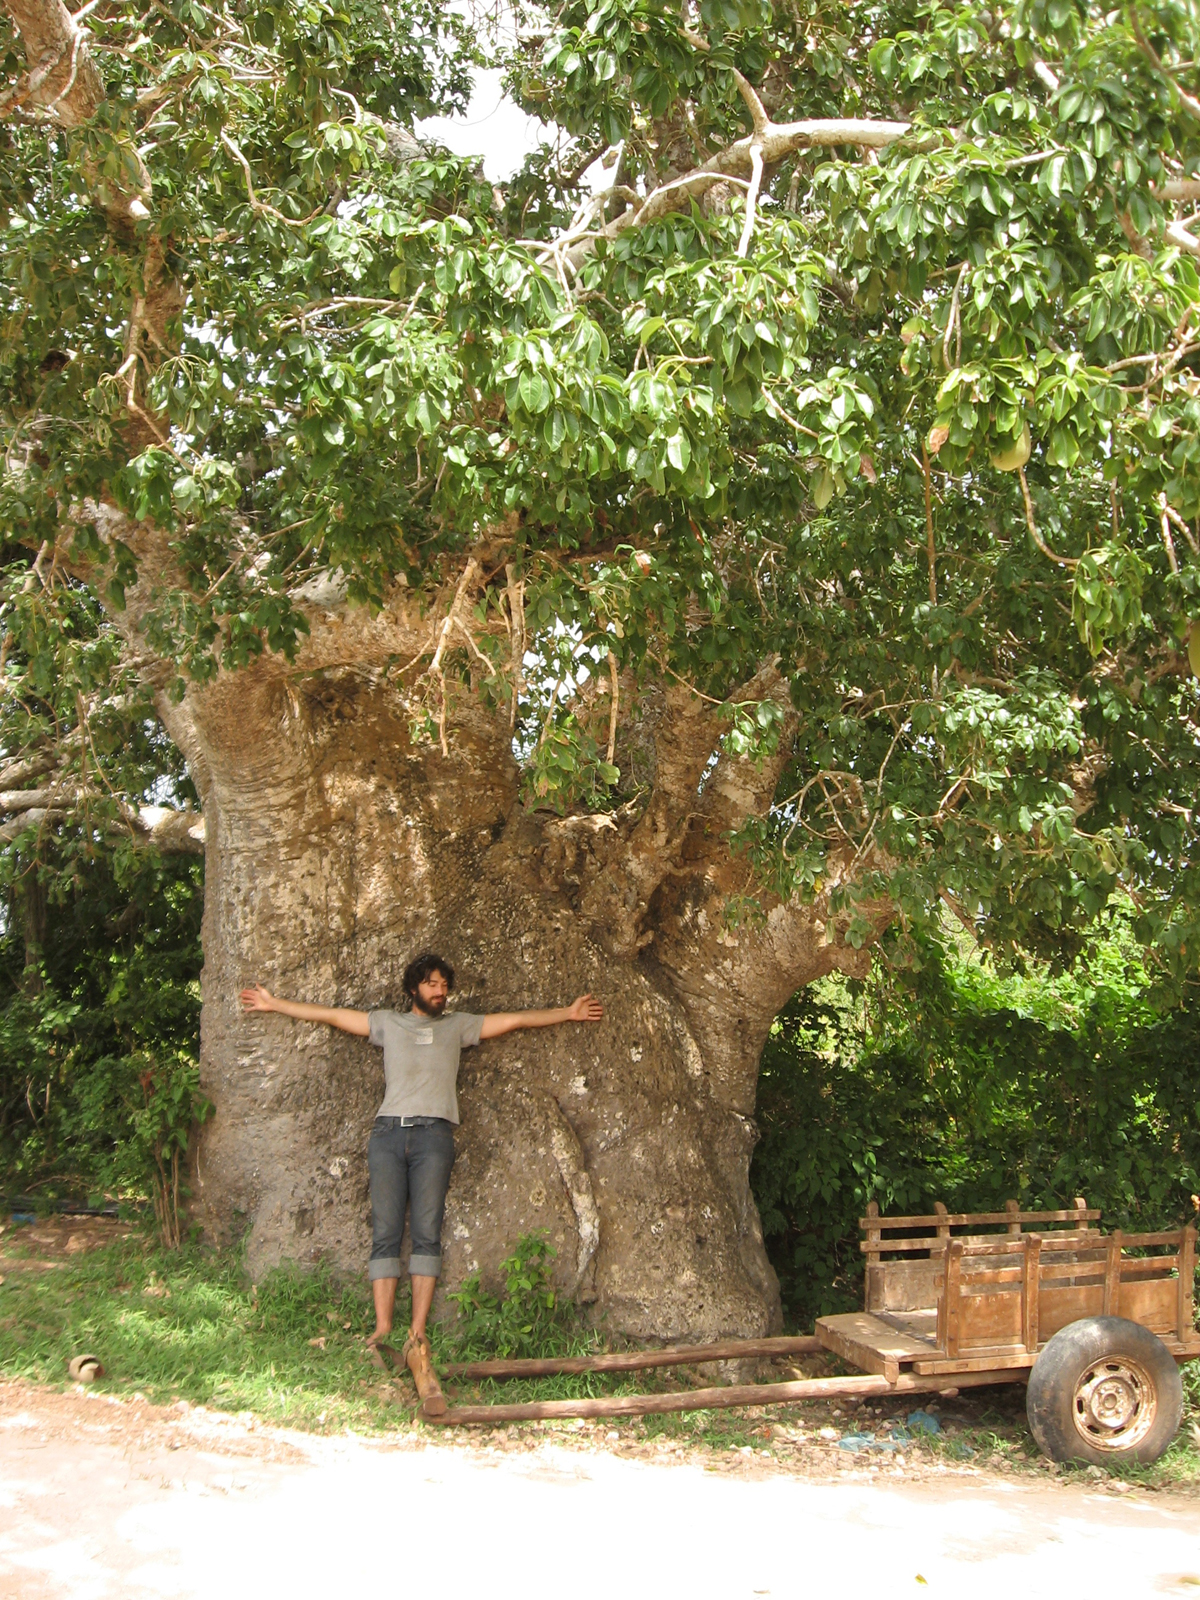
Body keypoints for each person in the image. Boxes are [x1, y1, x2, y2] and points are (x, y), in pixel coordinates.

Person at [239, 952, 603, 1365]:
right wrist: (275, 1003)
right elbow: (333, 1015)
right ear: (414, 988)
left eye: (445, 986)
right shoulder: (387, 1023)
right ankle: (382, 1328)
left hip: (434, 1136)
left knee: (428, 1232)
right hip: (388, 1134)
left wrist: (567, 1012)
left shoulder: (458, 1026)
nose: (441, 992)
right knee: (386, 1231)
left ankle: (417, 1331)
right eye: (433, 985)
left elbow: (515, 1019)